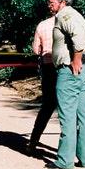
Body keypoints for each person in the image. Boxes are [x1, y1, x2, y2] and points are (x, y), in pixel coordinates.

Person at [45, 0, 85, 169]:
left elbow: (79, 38)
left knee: (67, 116)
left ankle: (64, 160)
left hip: (70, 71)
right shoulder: (75, 15)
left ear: (62, 2)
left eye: (52, 2)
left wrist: (75, 60)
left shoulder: (64, 16)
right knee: (84, 116)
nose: (49, 4)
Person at [26, 11, 57, 155]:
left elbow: (35, 49)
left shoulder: (43, 25)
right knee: (68, 109)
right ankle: (71, 148)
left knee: (47, 107)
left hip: (49, 68)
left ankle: (33, 141)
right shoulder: (70, 23)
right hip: (66, 69)